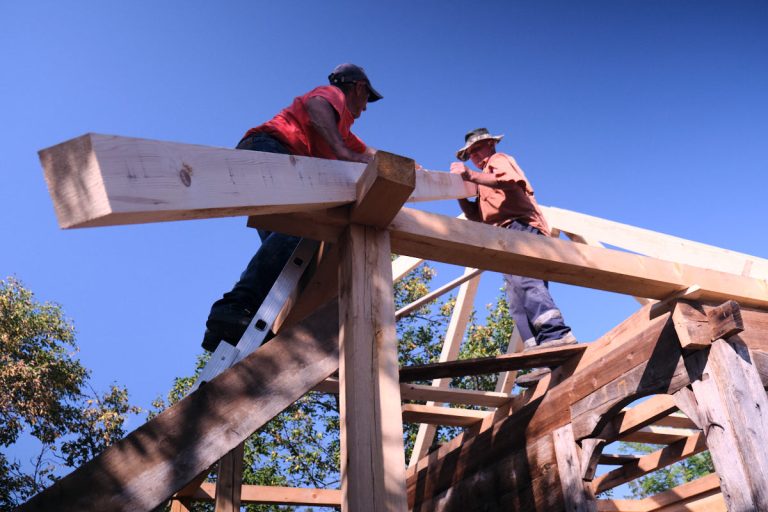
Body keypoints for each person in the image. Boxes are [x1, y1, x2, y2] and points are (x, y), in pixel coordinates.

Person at [202, 63, 382, 352]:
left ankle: (231, 327)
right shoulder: (332, 96)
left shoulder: (341, 130)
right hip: (270, 150)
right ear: (359, 88)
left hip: (264, 156)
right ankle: (234, 307)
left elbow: (371, 154)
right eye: (367, 98)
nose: (365, 107)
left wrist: (415, 170)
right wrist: (341, 151)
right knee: (303, 229)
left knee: (290, 253)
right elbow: (316, 106)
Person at [450, 128, 576, 361]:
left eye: (477, 149)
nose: (474, 156)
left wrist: (469, 175)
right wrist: (458, 192)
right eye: (470, 154)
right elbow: (476, 216)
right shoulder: (482, 181)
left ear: (491, 144)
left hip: (521, 227)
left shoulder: (498, 160)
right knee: (516, 297)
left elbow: (509, 181)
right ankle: (538, 352)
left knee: (527, 281)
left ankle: (557, 334)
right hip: (502, 236)